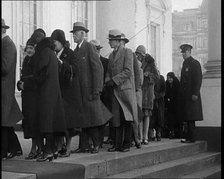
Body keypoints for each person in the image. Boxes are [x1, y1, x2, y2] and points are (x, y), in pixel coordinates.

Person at [70, 22, 112, 154]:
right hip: (80, 93)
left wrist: (97, 90)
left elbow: (98, 69)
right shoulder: (76, 51)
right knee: (83, 120)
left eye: (76, 34)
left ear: (83, 34)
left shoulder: (89, 48)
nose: (74, 36)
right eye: (73, 34)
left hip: (90, 92)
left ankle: (96, 144)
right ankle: (83, 146)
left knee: (93, 120)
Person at [31, 30, 67, 161]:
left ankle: (48, 153)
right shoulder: (52, 53)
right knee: (51, 123)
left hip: (46, 93)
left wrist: (30, 82)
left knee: (46, 124)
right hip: (54, 92)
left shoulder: (44, 53)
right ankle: (52, 151)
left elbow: (40, 73)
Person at [51, 29, 82, 157]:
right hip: (57, 92)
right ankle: (59, 145)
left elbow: (75, 69)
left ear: (62, 42)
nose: (54, 44)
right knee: (58, 121)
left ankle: (68, 147)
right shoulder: (52, 54)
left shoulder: (70, 53)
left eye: (56, 41)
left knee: (69, 122)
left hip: (69, 93)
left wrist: (62, 63)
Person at [105, 29, 138, 152]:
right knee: (117, 118)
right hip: (115, 91)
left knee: (127, 118)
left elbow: (128, 71)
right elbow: (108, 70)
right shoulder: (111, 55)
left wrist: (113, 80)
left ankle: (127, 144)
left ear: (118, 41)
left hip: (125, 90)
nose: (109, 43)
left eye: (111, 41)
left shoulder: (128, 52)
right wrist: (108, 79)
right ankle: (117, 144)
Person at [17, 38, 43, 159]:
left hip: (35, 98)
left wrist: (25, 84)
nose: (29, 50)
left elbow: (38, 80)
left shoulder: (37, 61)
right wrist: (20, 84)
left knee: (35, 123)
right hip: (27, 97)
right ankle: (35, 148)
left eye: (31, 48)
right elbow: (23, 76)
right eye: (27, 48)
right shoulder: (26, 60)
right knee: (29, 123)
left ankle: (37, 148)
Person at [1, 18, 24, 160]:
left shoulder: (8, 45)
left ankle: (4, 152)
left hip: (4, 90)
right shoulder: (5, 44)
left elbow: (4, 68)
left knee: (4, 123)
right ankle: (15, 148)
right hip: (4, 90)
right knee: (6, 123)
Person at [89, 39, 113, 148]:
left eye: (98, 49)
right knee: (93, 118)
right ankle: (94, 142)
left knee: (102, 119)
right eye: (95, 49)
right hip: (93, 93)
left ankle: (99, 141)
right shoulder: (88, 61)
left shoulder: (106, 62)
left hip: (104, 94)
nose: (97, 51)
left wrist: (104, 85)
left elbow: (109, 76)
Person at [120, 33, 141, 149]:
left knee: (133, 116)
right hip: (121, 90)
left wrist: (137, 87)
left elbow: (136, 72)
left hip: (131, 89)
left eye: (123, 42)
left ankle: (137, 139)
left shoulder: (130, 54)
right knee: (128, 117)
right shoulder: (116, 55)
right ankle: (132, 140)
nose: (121, 44)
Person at [179, 44, 203, 143]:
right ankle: (188, 136)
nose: (183, 54)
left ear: (189, 52)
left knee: (191, 117)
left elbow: (198, 79)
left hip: (192, 95)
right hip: (186, 95)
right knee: (187, 116)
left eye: (184, 52)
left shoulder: (195, 63)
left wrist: (195, 93)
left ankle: (191, 137)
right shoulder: (185, 64)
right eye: (182, 52)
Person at [141, 53, 160, 144]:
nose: (138, 56)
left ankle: (145, 137)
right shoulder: (138, 62)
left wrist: (148, 75)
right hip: (140, 91)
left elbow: (157, 77)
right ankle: (140, 137)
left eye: (139, 54)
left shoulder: (151, 63)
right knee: (140, 115)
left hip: (148, 92)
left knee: (147, 114)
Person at [164, 72, 181, 139]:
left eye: (170, 78)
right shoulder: (166, 84)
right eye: (168, 78)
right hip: (170, 105)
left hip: (177, 104)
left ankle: (178, 133)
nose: (169, 80)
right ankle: (171, 132)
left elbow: (178, 94)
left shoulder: (177, 84)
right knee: (170, 119)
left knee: (177, 119)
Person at [150, 74, 166, 141]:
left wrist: (158, 96)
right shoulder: (150, 77)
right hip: (151, 99)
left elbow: (164, 90)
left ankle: (158, 133)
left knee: (159, 117)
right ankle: (151, 134)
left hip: (159, 100)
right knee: (152, 117)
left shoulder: (161, 78)